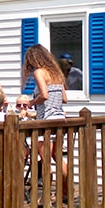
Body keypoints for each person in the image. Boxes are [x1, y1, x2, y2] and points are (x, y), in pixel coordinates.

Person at [22, 44, 68, 186]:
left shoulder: (39, 72)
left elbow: (44, 95)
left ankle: (45, 196)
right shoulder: (56, 73)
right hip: (59, 118)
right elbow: (64, 99)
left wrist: (31, 102)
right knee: (58, 157)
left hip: (46, 121)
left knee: (45, 160)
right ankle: (65, 192)